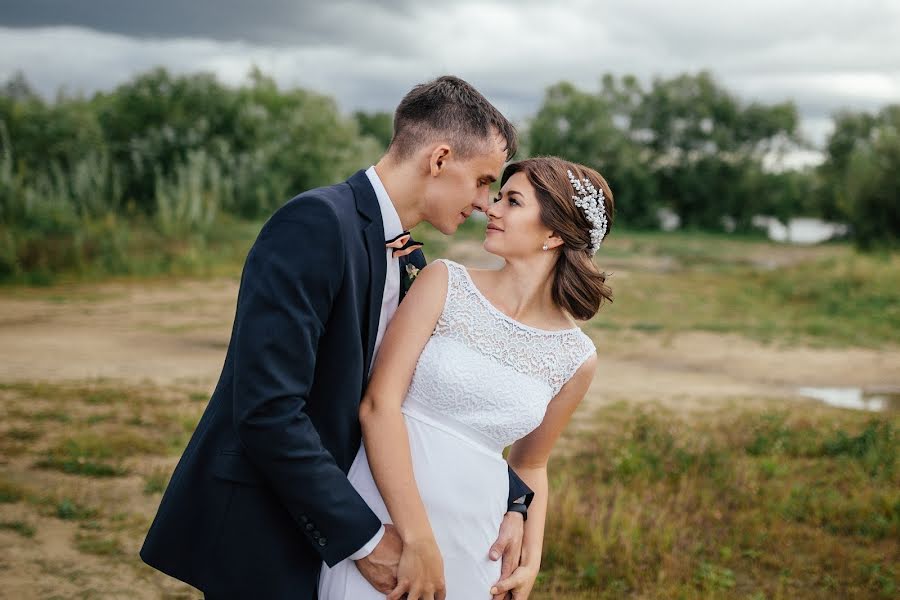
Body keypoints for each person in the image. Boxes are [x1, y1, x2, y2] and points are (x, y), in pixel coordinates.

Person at [139, 75, 534, 599]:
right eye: (484, 180)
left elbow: (419, 405)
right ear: (439, 159)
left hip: (338, 518)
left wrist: (514, 500)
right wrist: (366, 541)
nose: (486, 202)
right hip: (268, 524)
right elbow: (267, 410)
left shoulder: (413, 262)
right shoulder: (317, 223)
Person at [318, 156, 614, 599]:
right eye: (497, 197)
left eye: (512, 201)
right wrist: (417, 539)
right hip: (388, 514)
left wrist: (531, 560)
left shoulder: (575, 357)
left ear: (553, 233)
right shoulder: (443, 283)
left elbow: (530, 464)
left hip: (479, 537)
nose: (490, 209)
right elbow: (378, 405)